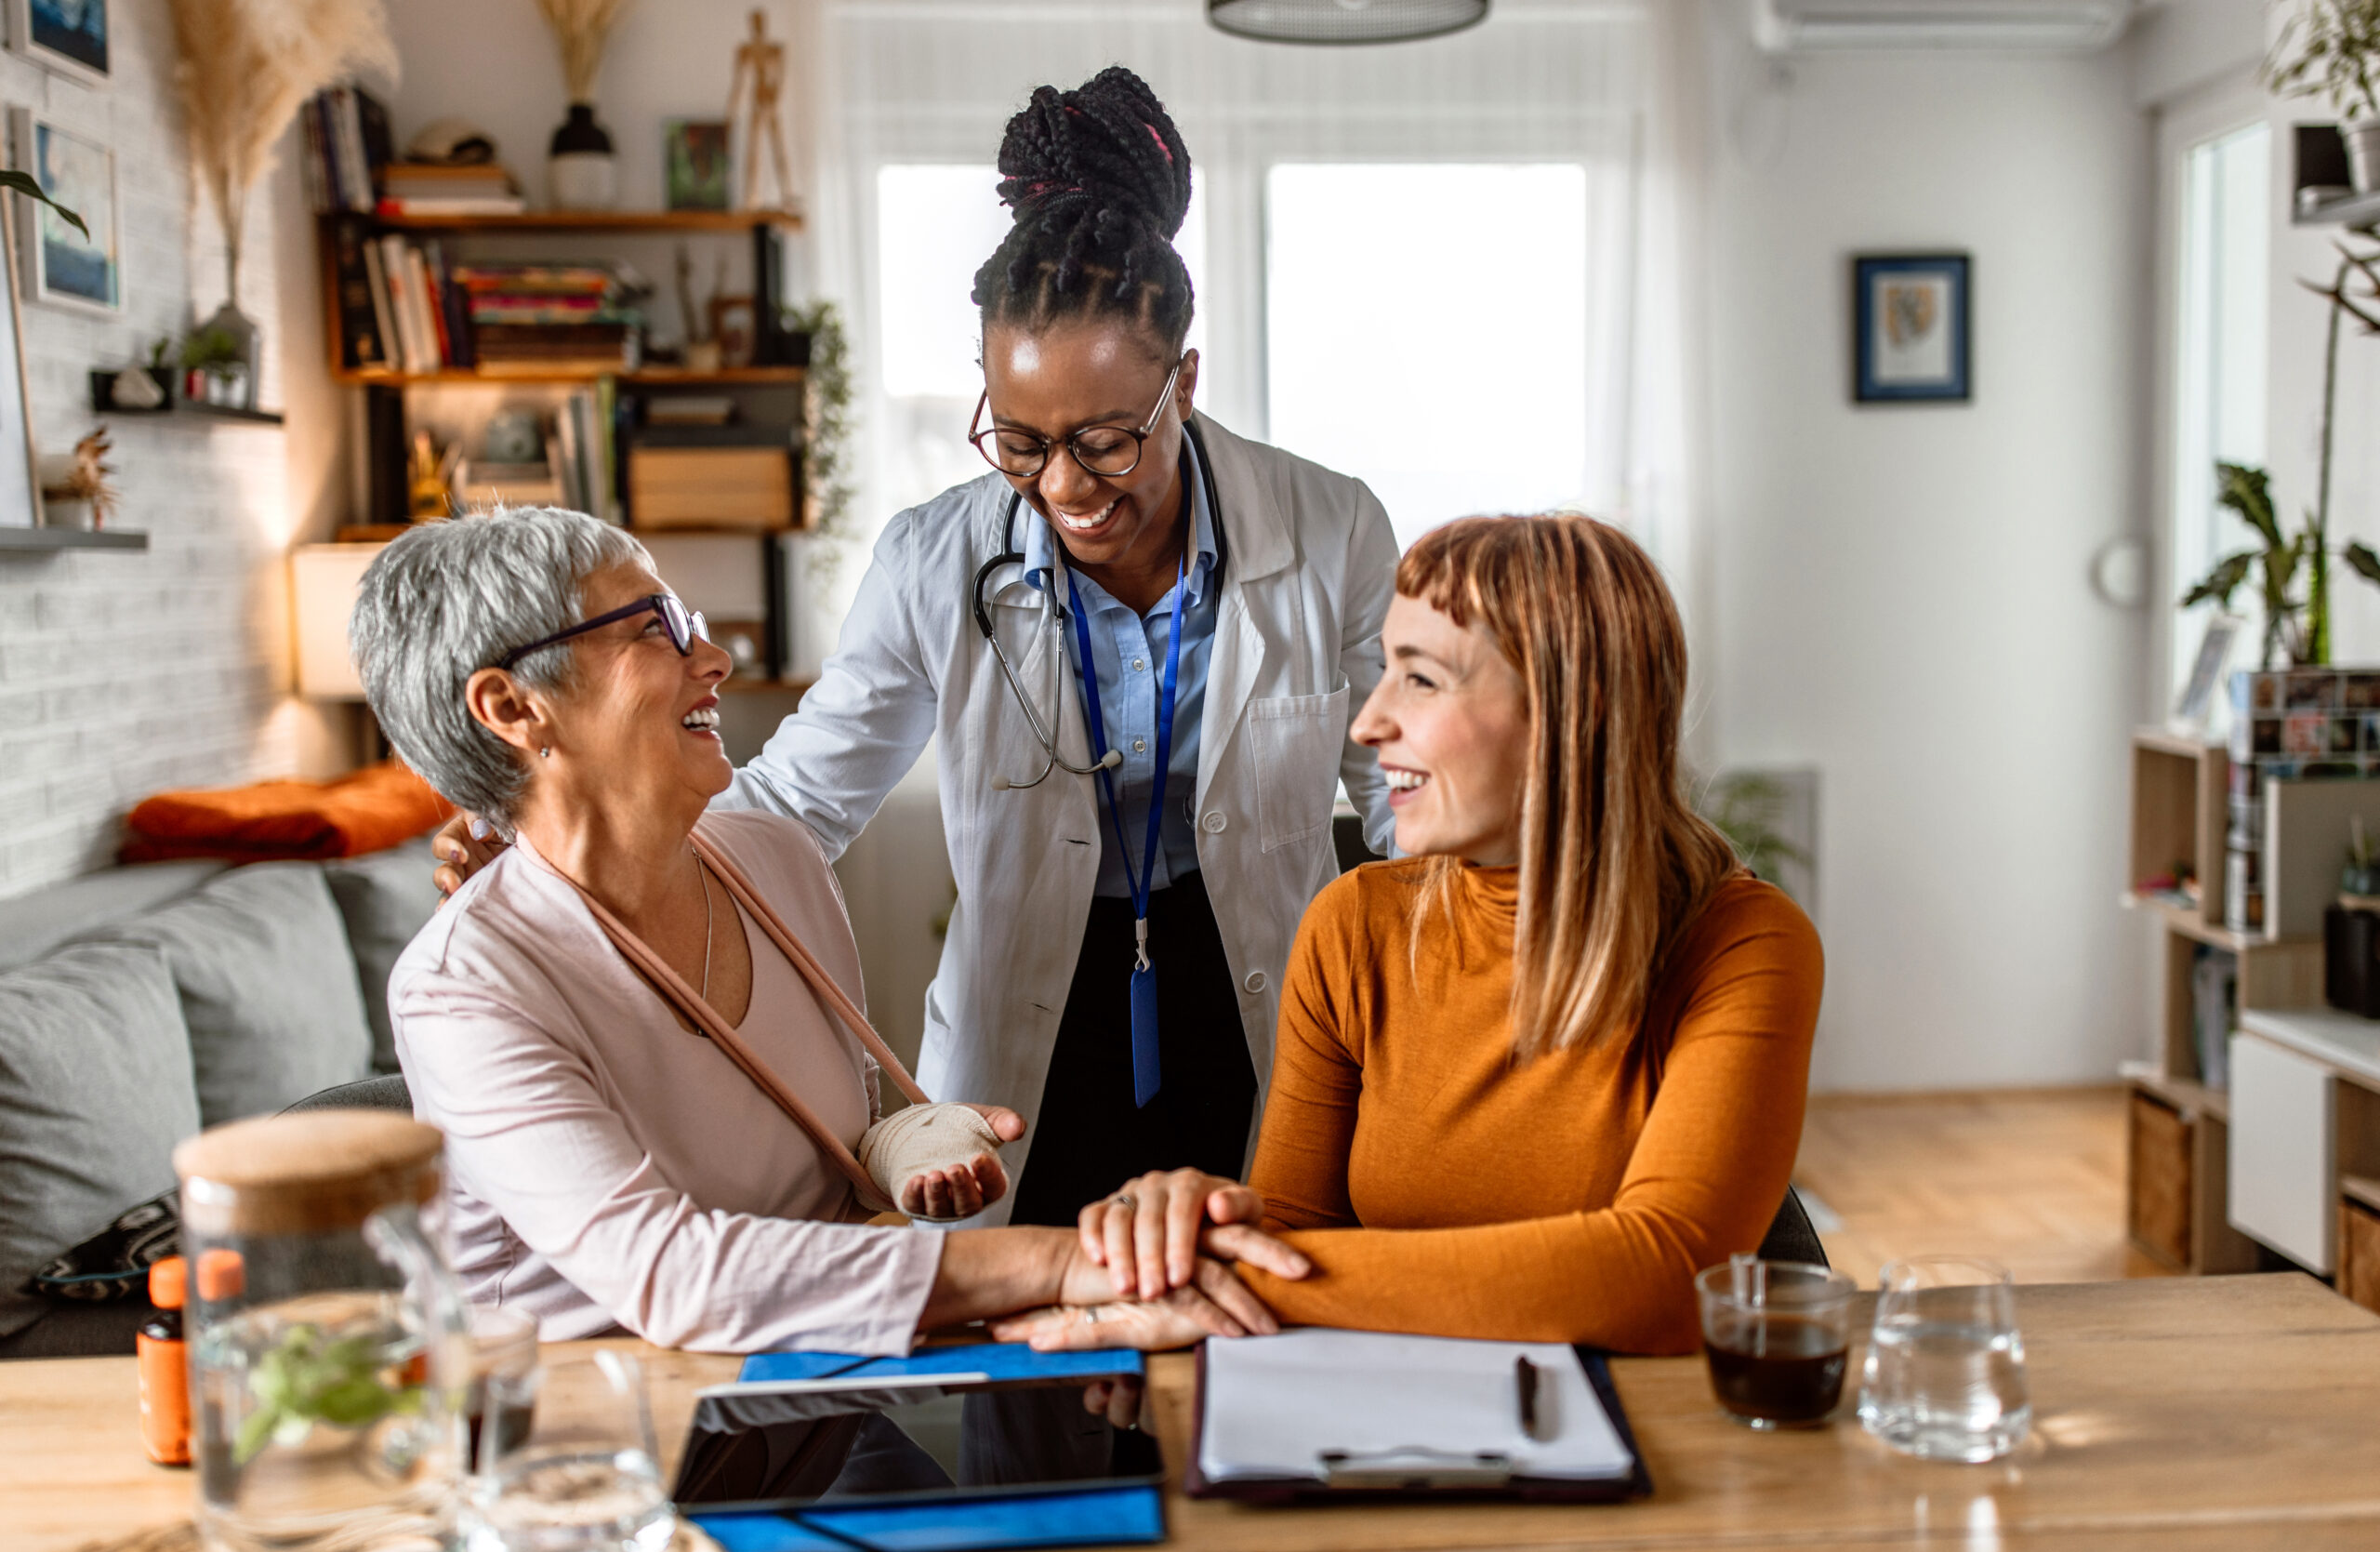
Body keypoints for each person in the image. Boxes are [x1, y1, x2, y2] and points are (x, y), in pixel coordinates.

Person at [436, 67, 1397, 1229]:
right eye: (1020, 439)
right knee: (1025, 1374)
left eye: (1103, 441)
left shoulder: (1328, 525)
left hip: (1262, 998)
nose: (1060, 488)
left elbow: (1399, 800)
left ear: (1182, 385)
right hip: (1031, 1022)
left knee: (1258, 1339)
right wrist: (566, 866)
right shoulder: (934, 559)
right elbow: (794, 808)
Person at [359, 509, 1307, 1356]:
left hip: (820, 1406)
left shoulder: (772, 858)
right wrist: (1063, 1262)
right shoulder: (464, 990)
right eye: (656, 629)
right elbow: (670, 1274)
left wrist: (910, 1149)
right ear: (513, 707)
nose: (715, 656)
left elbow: (847, 1139)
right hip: (604, 1470)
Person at [1004, 515, 1823, 1356]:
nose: (1368, 723)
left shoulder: (1740, 942)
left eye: (1422, 681)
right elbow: (1288, 1233)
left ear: (1576, 708)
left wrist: (1226, 1281)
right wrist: (1197, 1241)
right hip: (1404, 1420)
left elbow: (1668, 1275)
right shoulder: (1355, 925)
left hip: (1662, 1448)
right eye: (1385, 670)